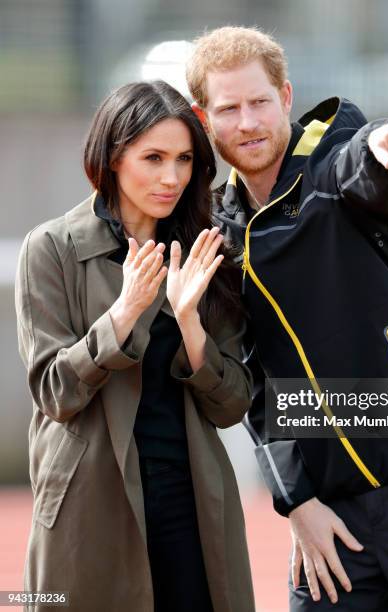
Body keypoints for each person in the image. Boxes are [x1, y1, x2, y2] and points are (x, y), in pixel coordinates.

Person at [186, 26, 388, 611]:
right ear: (204, 119)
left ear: (286, 98)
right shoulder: (221, 235)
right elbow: (254, 382)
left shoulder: (332, 161)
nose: (248, 121)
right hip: (332, 510)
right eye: (228, 108)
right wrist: (297, 503)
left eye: (260, 101)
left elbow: (365, 168)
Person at [15, 80, 255, 612]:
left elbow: (234, 403)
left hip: (192, 503)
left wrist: (190, 322)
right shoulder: (52, 248)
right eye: (153, 157)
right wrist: (122, 314)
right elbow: (55, 393)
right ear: (113, 157)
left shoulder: (210, 250)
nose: (171, 178)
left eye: (184, 159)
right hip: (89, 506)